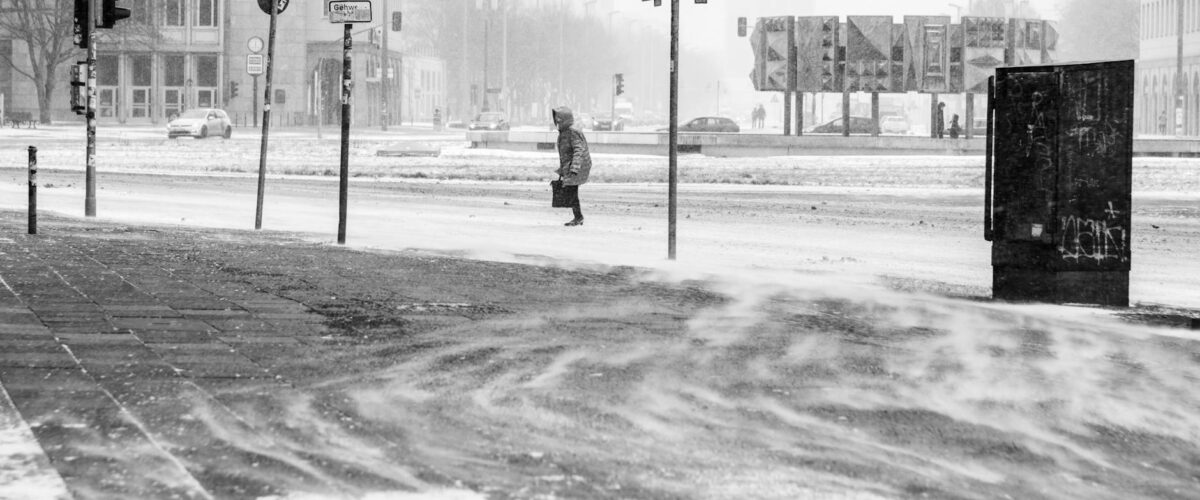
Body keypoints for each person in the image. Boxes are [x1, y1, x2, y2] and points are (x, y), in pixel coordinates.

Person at [552, 106, 592, 226]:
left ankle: (578, 217)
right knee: (571, 191)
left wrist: (574, 167)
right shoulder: (564, 133)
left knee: (572, 191)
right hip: (571, 166)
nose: (557, 122)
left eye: (559, 119)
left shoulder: (572, 133)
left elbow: (578, 150)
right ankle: (578, 217)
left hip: (577, 167)